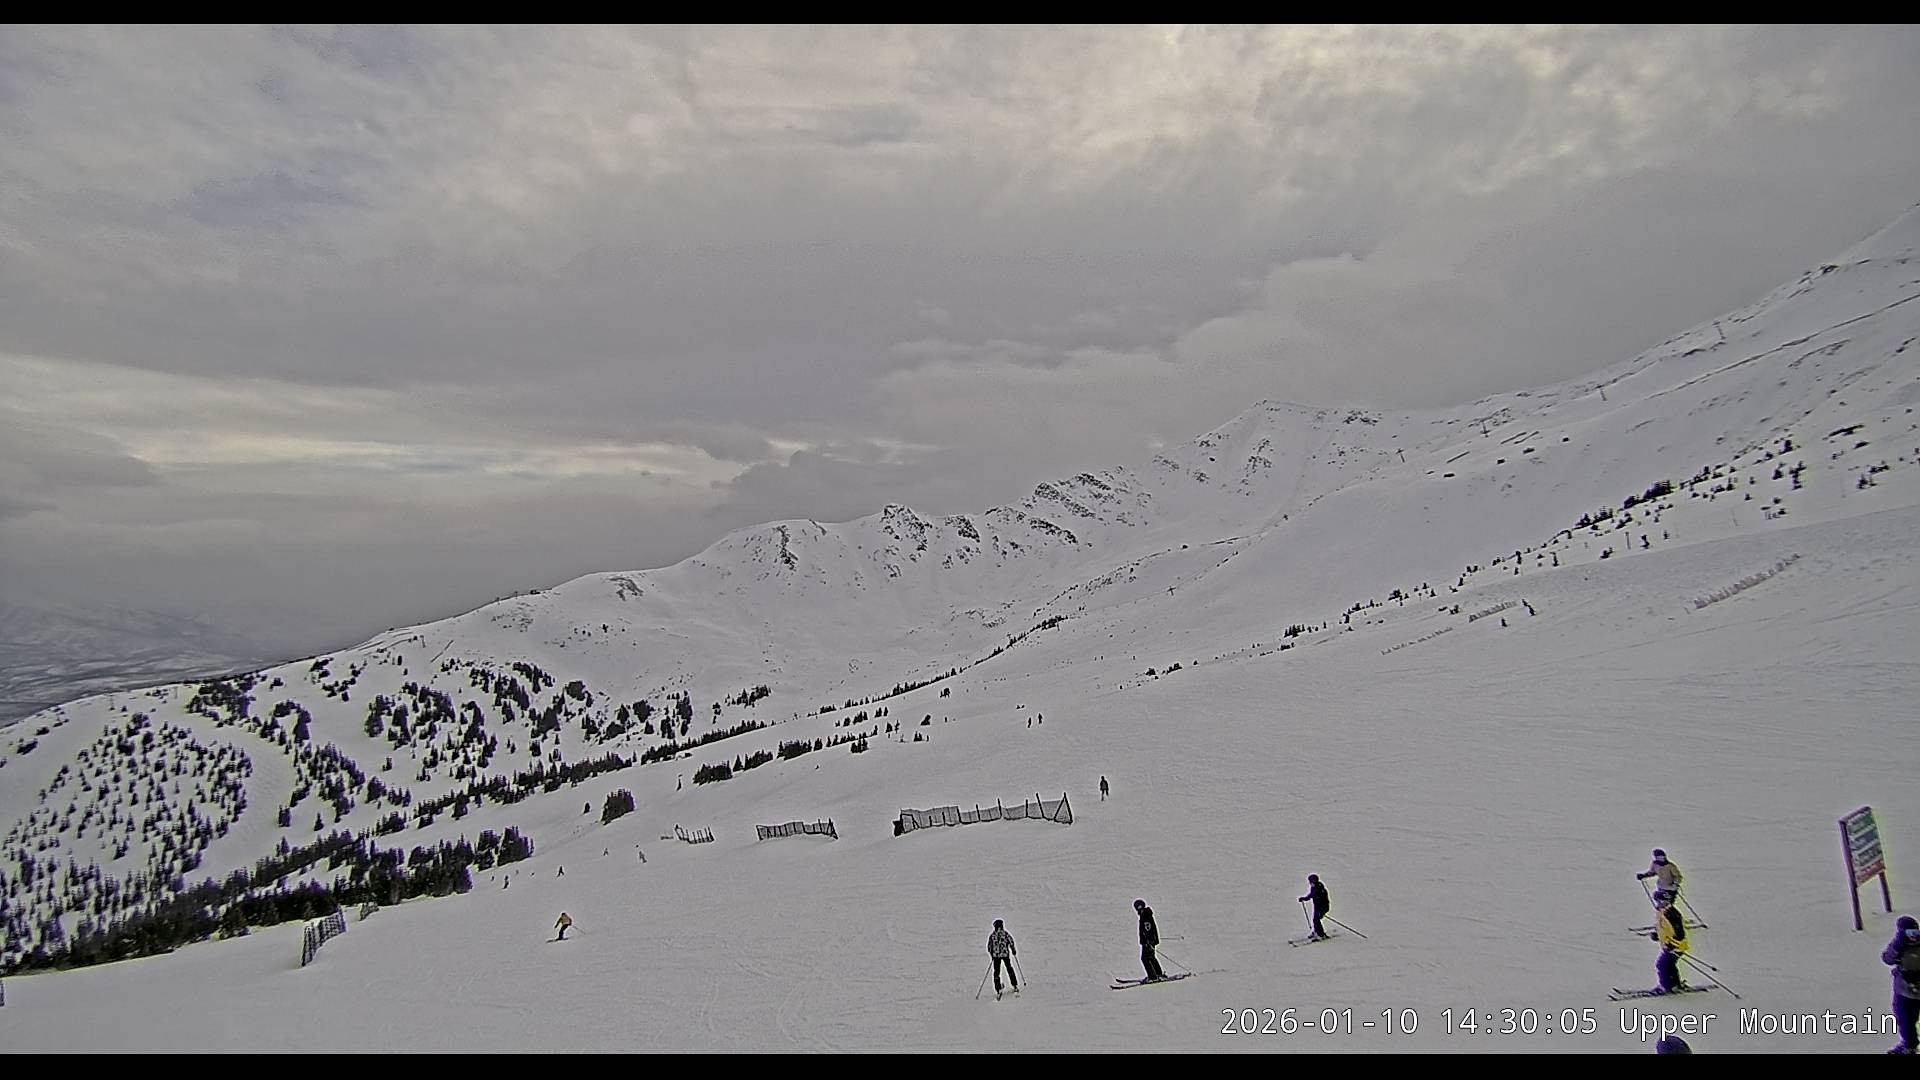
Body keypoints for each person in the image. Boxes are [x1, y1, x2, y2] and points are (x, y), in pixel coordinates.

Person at [1884, 914, 1920, 1055]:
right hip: (1903, 990)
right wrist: (1897, 946)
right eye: (1909, 933)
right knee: (1905, 1018)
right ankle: (1909, 1045)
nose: (1913, 936)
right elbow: (1887, 958)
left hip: (1915, 989)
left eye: (1915, 932)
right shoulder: (1899, 946)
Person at [1652, 890, 1688, 993]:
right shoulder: (1661, 911)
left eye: (1663, 901)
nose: (1660, 904)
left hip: (1677, 946)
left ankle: (1666, 987)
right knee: (1669, 965)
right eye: (1658, 901)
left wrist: (1672, 945)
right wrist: (1657, 934)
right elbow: (1663, 927)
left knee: (1662, 965)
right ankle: (1675, 984)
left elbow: (1680, 934)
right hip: (1669, 945)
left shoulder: (1672, 914)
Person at [1135, 899, 1166, 981]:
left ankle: (1152, 977)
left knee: (1145, 958)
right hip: (1151, 940)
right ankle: (1159, 974)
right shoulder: (1146, 914)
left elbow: (1148, 928)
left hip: (1148, 942)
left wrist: (1148, 941)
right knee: (1151, 957)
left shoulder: (1144, 915)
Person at [988, 919, 1019, 998]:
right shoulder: (1005, 934)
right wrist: (1013, 950)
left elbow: (989, 946)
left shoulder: (992, 935)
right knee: (1009, 968)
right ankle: (1014, 985)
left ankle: (998, 988)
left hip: (996, 956)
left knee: (996, 972)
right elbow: (1011, 942)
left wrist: (992, 954)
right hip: (1005, 955)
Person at [1298, 874, 1331, 940]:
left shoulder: (1321, 890)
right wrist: (1304, 898)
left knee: (1316, 920)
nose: (1310, 883)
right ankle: (1316, 931)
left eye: (1311, 882)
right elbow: (1310, 895)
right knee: (1315, 920)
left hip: (1323, 908)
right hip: (1317, 907)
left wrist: (1322, 911)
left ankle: (1321, 934)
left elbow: (1325, 901)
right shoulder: (1314, 888)